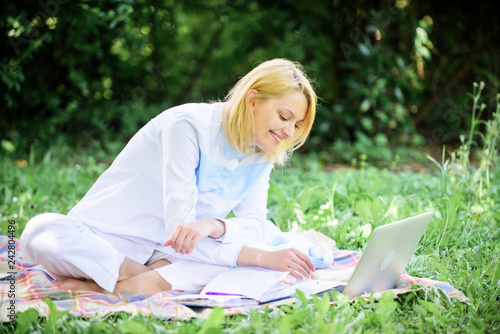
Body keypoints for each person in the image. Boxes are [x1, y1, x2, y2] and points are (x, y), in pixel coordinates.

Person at [20, 58, 321, 294]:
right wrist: (256, 257)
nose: (288, 132)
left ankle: (115, 284)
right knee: (40, 232)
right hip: (104, 245)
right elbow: (180, 229)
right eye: (284, 117)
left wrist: (215, 226)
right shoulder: (188, 125)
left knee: (265, 254)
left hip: (169, 255)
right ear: (252, 100)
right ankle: (136, 282)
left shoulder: (263, 153)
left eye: (297, 125)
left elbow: (255, 224)